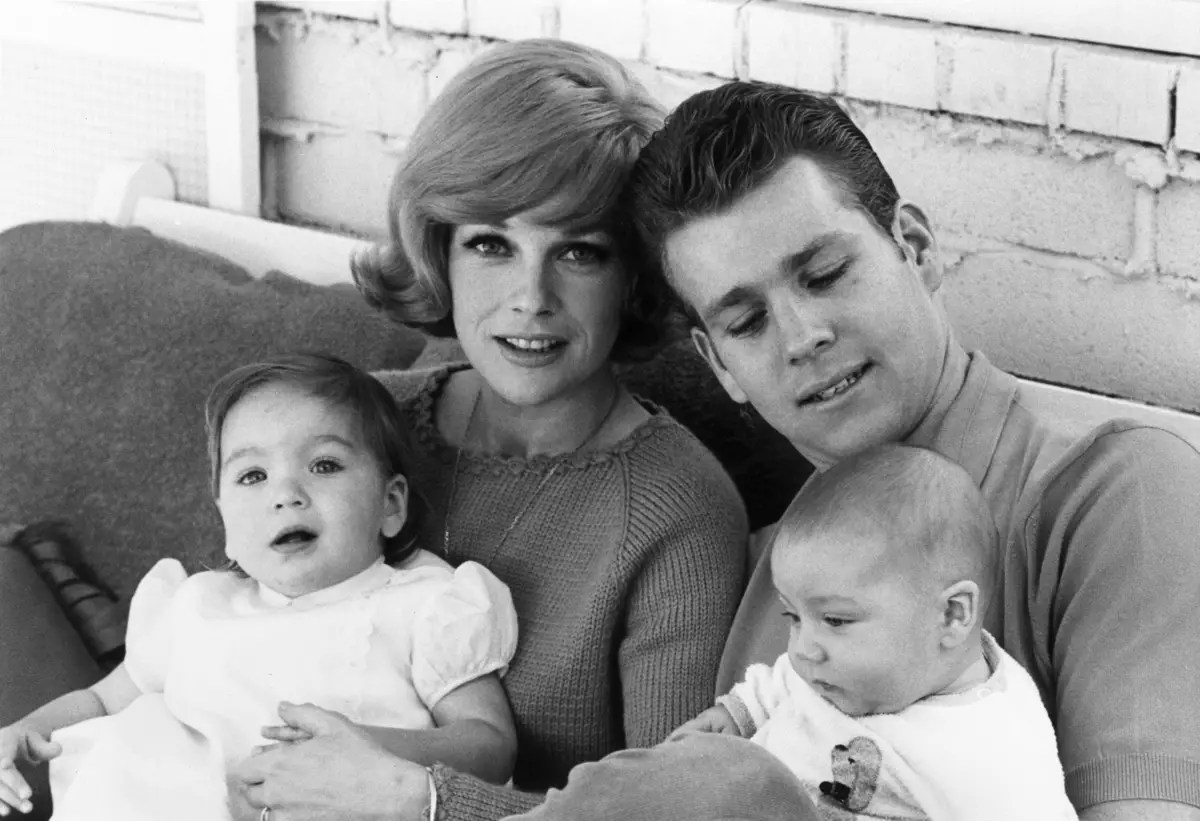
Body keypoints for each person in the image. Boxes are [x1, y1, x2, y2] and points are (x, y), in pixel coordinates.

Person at [496, 80, 1198, 820]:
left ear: (916, 249)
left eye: (825, 274)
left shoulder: (1126, 493)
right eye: (746, 321)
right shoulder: (781, 567)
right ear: (719, 365)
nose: (803, 336)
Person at [226, 40, 748, 821]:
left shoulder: (677, 510)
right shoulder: (351, 430)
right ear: (441, 250)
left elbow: (669, 813)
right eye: (492, 244)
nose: (530, 298)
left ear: (633, 275)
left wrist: (426, 800)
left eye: (578, 250)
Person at [0, 353, 519, 820]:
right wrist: (24, 730)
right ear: (223, 518)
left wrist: (374, 745)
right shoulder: (196, 604)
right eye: (252, 476)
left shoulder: (427, 603)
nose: (286, 494)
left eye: (324, 465)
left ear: (391, 505)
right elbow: (102, 700)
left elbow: (490, 746)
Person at [672, 444, 1077, 820]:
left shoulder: (988, 754)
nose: (803, 650)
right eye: (793, 617)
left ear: (952, 615)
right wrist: (732, 717)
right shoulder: (832, 675)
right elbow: (780, 685)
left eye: (836, 621)